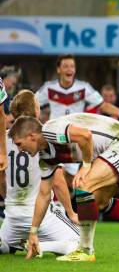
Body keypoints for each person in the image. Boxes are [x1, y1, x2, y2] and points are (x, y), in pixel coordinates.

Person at [12, 113, 119, 262]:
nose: (20, 150)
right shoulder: (45, 158)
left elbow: (85, 135)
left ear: (31, 136)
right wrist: (33, 232)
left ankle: (85, 250)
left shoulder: (50, 130)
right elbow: (44, 194)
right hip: (111, 151)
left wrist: (85, 166)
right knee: (99, 203)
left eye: (19, 144)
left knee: (83, 184)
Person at [0, 90, 79, 256]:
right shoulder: (44, 137)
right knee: (81, 242)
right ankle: (39, 245)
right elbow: (57, 181)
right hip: (40, 216)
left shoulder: (4, 140)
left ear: (14, 114)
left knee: (6, 244)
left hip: (12, 216)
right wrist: (71, 213)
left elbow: (1, 180)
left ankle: (7, 244)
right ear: (37, 111)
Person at [35, 54, 119, 179]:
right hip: (54, 139)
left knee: (70, 180)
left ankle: (67, 196)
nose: (69, 69)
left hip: (74, 139)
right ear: (58, 69)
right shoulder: (49, 88)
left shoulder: (83, 87)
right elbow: (32, 103)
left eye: (72, 66)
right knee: (53, 176)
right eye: (65, 66)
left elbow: (102, 105)